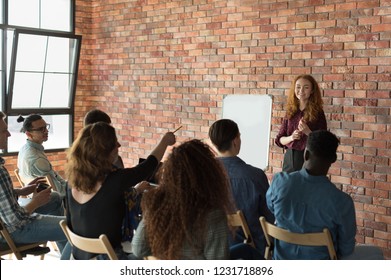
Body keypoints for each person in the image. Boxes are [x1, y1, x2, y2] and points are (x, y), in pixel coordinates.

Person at [65, 122, 176, 259]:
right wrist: (165, 141)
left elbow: (70, 221)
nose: (119, 146)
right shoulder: (115, 180)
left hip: (77, 258)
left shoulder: (70, 182)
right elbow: (148, 166)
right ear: (104, 151)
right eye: (114, 143)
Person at [267, 130, 384, 260]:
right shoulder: (342, 202)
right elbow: (346, 249)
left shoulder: (279, 182)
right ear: (333, 159)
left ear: (305, 154)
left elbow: (271, 209)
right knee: (376, 253)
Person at [132, 139, 236, 260]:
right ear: (210, 174)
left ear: (170, 172)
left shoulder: (155, 204)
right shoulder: (213, 215)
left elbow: (138, 249)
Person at [0, 111, 70, 259]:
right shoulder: (3, 170)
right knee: (76, 227)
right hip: (15, 229)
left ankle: (63, 244)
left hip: (9, 220)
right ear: (29, 134)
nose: (9, 135)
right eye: (4, 131)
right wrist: (35, 202)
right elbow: (15, 220)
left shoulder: (23, 151)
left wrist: (19, 191)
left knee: (56, 198)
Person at [208, 119, 274, 256]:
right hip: (250, 250)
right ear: (235, 141)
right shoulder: (255, 176)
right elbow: (268, 218)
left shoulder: (203, 173)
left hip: (212, 247)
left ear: (213, 143)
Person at [275, 74, 327, 173]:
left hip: (310, 158)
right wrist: (291, 137)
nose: (301, 91)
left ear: (312, 90)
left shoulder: (318, 113)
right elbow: (279, 140)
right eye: (298, 87)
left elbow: (323, 142)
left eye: (306, 87)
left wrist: (308, 132)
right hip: (290, 158)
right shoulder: (290, 112)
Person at [17, 114, 67, 196]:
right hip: (51, 201)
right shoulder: (38, 158)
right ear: (28, 134)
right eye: (41, 129)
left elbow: (54, 176)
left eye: (46, 127)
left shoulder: (23, 149)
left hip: (35, 196)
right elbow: (59, 192)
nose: (46, 131)